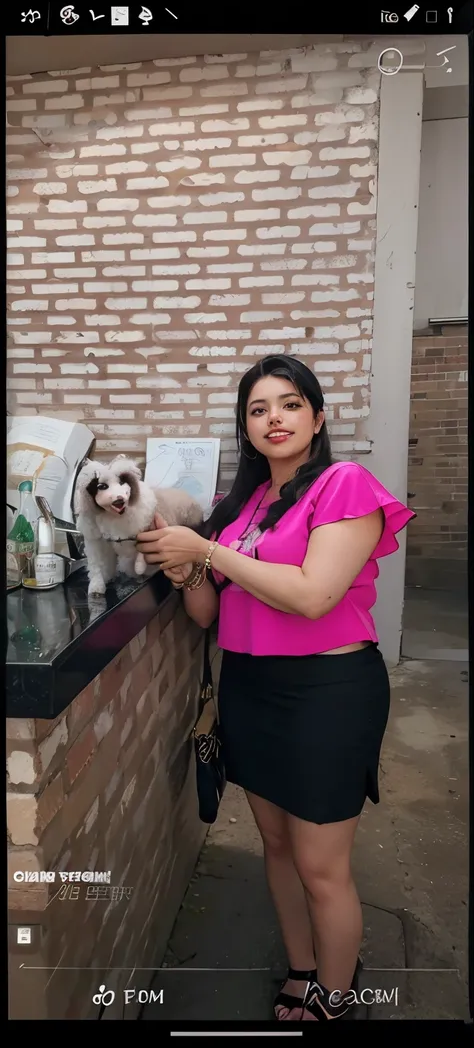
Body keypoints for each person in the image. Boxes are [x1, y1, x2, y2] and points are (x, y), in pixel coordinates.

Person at [137, 355, 415, 1022]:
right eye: (258, 410)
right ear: (247, 429)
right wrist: (180, 565)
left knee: (323, 864)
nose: (274, 419)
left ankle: (338, 995)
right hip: (251, 687)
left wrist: (205, 552)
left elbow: (314, 595)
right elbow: (209, 615)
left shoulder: (343, 485)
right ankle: (302, 968)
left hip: (328, 692)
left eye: (289, 404)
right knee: (280, 846)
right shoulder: (244, 506)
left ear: (317, 418)